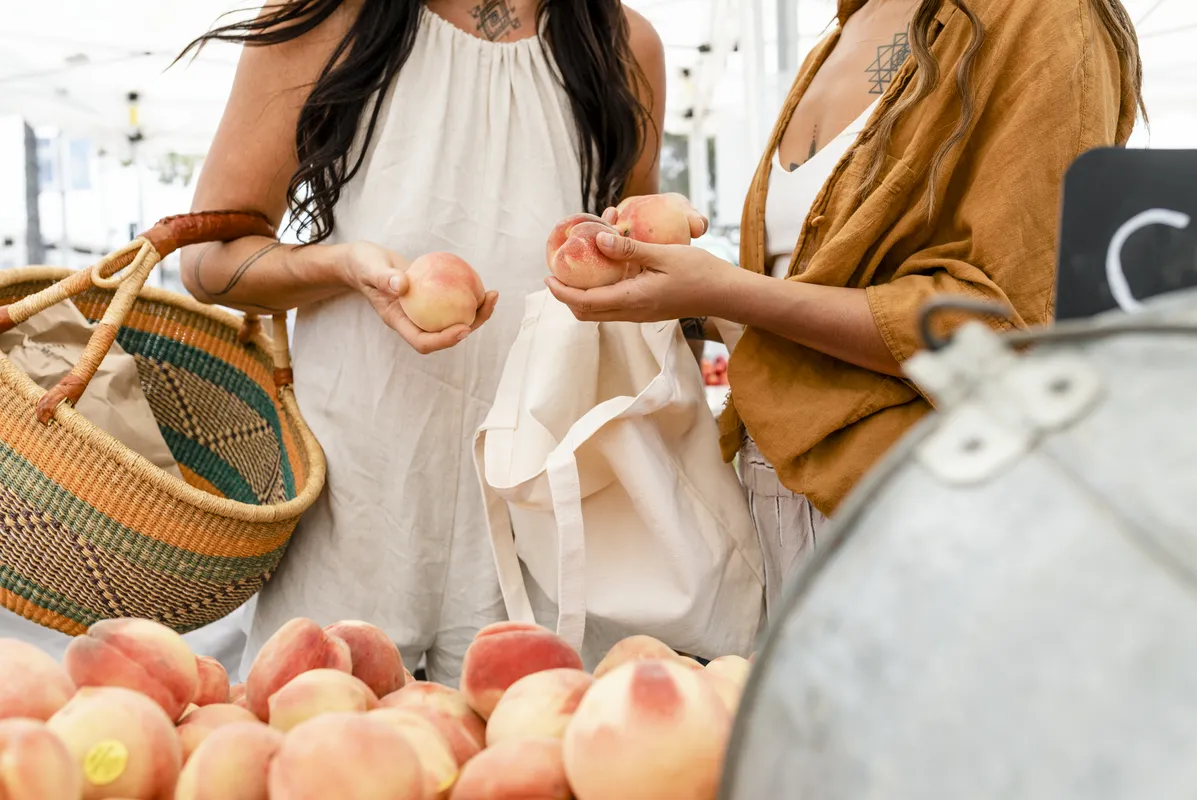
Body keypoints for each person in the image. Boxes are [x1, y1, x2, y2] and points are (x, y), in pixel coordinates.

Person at [546, 0, 1145, 620]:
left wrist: (722, 290)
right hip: (779, 488)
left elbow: (1006, 329)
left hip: (916, 505)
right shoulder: (846, 26)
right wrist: (681, 297)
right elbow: (795, 299)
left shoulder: (1044, 18)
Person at [177, 0, 681, 684]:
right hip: (357, 494)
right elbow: (208, 263)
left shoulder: (624, 45)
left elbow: (632, 256)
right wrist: (340, 266)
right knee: (330, 754)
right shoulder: (325, 20)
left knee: (526, 764)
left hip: (544, 502)